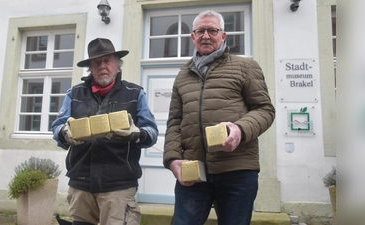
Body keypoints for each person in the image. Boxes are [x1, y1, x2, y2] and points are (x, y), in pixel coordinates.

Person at [163, 10, 275, 225]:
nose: (206, 35)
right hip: (193, 170)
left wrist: (240, 129)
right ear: (193, 37)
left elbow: (265, 110)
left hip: (237, 171)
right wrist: (172, 158)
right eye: (200, 31)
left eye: (212, 30)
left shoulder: (246, 67)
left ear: (223, 36)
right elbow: (175, 121)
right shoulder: (183, 75)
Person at [51, 38, 159, 225]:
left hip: (118, 187)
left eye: (107, 61)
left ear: (117, 65)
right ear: (90, 68)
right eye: (96, 62)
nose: (102, 66)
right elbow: (57, 127)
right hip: (81, 184)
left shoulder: (134, 93)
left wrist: (136, 134)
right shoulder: (74, 94)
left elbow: (152, 133)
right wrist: (64, 133)